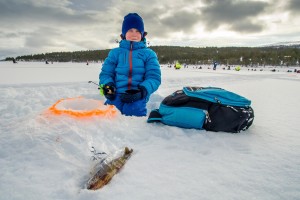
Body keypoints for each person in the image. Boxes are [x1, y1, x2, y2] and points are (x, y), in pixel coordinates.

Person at [99, 13, 161, 116]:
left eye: (137, 31)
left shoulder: (149, 54)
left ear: (142, 34)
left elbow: (154, 78)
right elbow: (106, 74)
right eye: (130, 30)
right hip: (116, 94)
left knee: (133, 113)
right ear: (123, 34)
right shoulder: (115, 53)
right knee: (109, 114)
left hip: (137, 95)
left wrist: (142, 91)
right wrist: (108, 85)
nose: (134, 34)